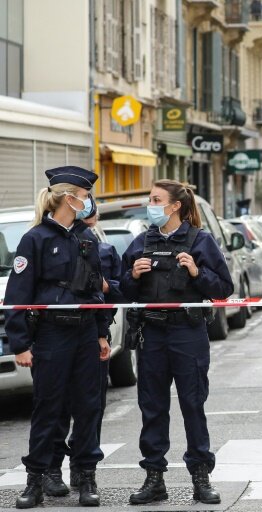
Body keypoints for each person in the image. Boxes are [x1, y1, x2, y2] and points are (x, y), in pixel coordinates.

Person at [120, 180, 234, 505]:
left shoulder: (201, 241)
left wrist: (197, 273)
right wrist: (134, 276)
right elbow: (121, 289)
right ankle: (154, 479)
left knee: (192, 405)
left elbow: (224, 288)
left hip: (187, 334)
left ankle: (201, 478)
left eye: (156, 199)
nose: (150, 204)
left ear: (175, 206)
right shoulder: (142, 242)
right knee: (152, 408)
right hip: (152, 335)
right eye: (150, 199)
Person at [5, 167, 111, 508]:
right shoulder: (35, 239)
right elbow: (17, 295)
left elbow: (96, 291)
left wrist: (101, 334)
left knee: (88, 406)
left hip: (83, 333)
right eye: (84, 195)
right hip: (51, 333)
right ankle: (35, 480)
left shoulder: (85, 238)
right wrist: (19, 343)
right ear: (71, 198)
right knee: (48, 408)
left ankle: (87, 477)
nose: (87, 201)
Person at [43, 201, 123, 498]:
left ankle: (83, 468)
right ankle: (52, 468)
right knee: (56, 405)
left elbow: (114, 293)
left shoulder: (102, 249)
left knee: (90, 407)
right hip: (55, 335)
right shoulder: (43, 240)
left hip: (90, 333)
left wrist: (104, 292)